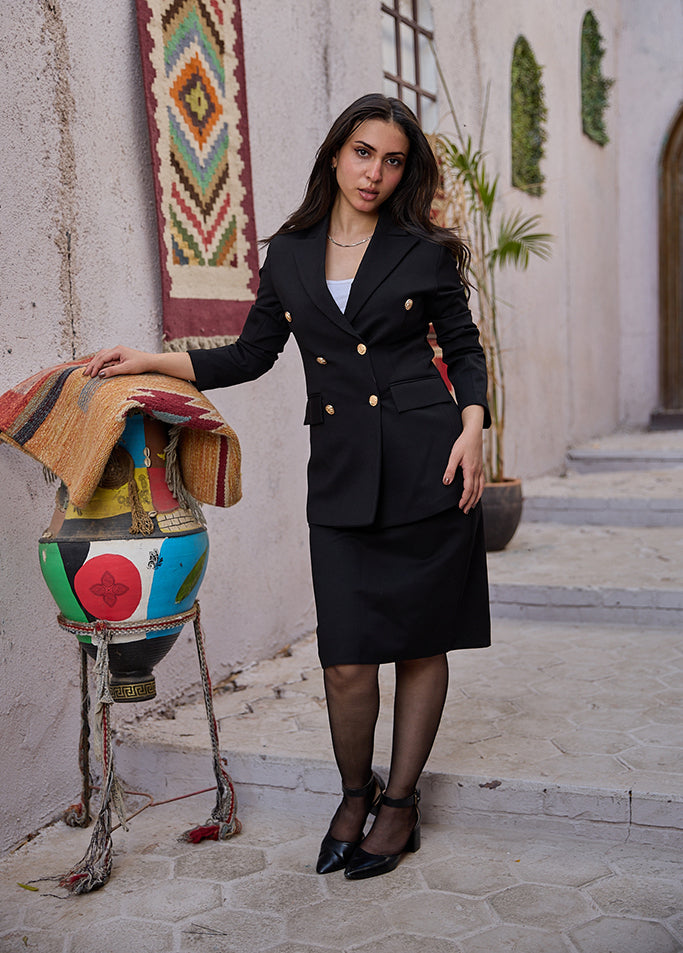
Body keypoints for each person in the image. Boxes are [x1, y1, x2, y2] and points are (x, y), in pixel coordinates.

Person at [84, 93, 491, 880]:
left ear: (406, 170)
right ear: (336, 154)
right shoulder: (293, 253)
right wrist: (150, 360)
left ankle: (398, 803)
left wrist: (472, 426)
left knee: (418, 642)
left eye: (392, 159)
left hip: (427, 458)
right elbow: (249, 354)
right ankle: (353, 791)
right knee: (345, 659)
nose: (375, 171)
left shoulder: (423, 249)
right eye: (363, 152)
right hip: (341, 472)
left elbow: (464, 348)